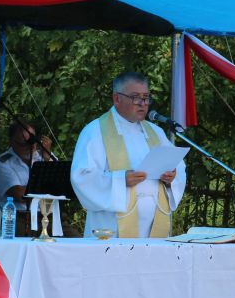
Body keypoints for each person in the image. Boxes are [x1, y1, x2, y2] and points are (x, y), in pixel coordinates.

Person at [71, 72, 186, 238]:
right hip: (112, 229)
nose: (143, 104)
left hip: (153, 229)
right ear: (117, 98)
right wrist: (120, 179)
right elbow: (82, 177)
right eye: (135, 97)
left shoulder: (156, 132)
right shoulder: (95, 131)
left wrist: (172, 177)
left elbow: (178, 168)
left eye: (146, 97)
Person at [0, 122, 53, 236]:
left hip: (50, 216)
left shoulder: (45, 157)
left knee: (77, 242)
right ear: (12, 142)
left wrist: (47, 161)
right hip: (20, 216)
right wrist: (47, 186)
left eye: (33, 141)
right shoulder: (2, 163)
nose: (30, 146)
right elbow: (20, 195)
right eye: (24, 143)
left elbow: (61, 186)